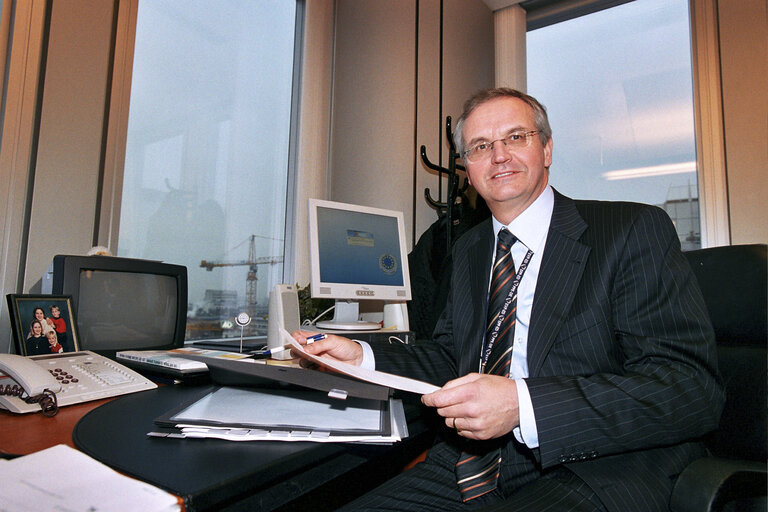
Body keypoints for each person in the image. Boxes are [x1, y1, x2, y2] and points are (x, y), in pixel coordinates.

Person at [293, 88, 724, 512]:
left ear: (547, 149)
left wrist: (523, 405)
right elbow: (450, 359)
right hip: (473, 464)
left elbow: (689, 387)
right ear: (467, 167)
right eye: (481, 146)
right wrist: (362, 358)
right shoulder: (469, 250)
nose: (499, 155)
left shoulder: (630, 229)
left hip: (601, 466)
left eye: (516, 137)